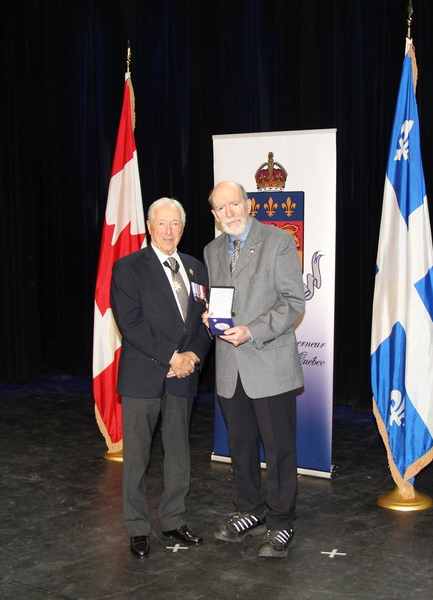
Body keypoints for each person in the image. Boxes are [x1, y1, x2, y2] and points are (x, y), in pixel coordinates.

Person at [203, 181, 305, 558]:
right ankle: (249, 509)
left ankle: (281, 522)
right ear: (214, 215)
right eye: (221, 208)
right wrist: (209, 318)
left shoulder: (278, 241)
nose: (229, 212)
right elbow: (219, 300)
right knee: (241, 446)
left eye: (235, 204)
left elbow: (293, 302)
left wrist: (252, 331)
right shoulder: (212, 250)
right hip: (230, 367)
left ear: (249, 204)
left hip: (269, 361)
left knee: (279, 448)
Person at [110, 197, 212, 558]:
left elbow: (205, 323)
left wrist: (193, 357)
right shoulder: (128, 268)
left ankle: (173, 519)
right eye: (162, 224)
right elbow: (131, 323)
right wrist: (171, 356)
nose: (169, 231)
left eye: (176, 224)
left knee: (179, 453)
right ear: (150, 227)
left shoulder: (196, 268)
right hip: (144, 376)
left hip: (183, 376)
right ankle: (138, 527)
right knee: (137, 456)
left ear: (183, 229)